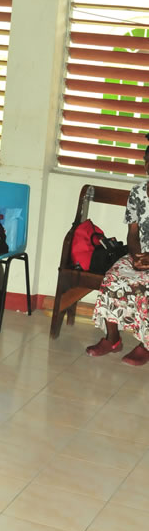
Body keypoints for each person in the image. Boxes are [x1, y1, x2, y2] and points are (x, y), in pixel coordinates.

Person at [86, 145, 149, 367]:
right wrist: (136, 256)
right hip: (141, 253)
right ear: (145, 162)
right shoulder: (137, 192)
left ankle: (145, 344)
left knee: (145, 287)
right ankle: (112, 339)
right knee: (113, 278)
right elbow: (132, 233)